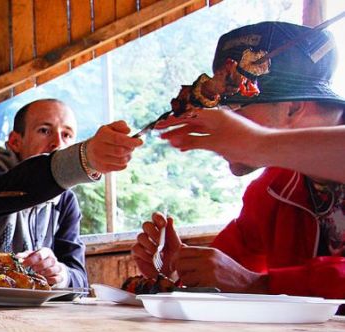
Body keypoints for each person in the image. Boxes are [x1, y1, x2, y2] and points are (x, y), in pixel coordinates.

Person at [132, 21, 345, 299]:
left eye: (235, 109)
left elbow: (246, 281)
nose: (223, 122)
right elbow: (230, 266)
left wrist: (258, 285)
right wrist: (178, 270)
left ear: (293, 107)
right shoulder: (273, 189)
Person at [0, 98, 142, 288]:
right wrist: (84, 158)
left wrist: (60, 274)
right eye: (44, 130)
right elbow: (17, 187)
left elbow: (79, 277)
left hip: (18, 315)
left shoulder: (65, 202)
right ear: (15, 142)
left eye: (67, 135)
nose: (58, 143)